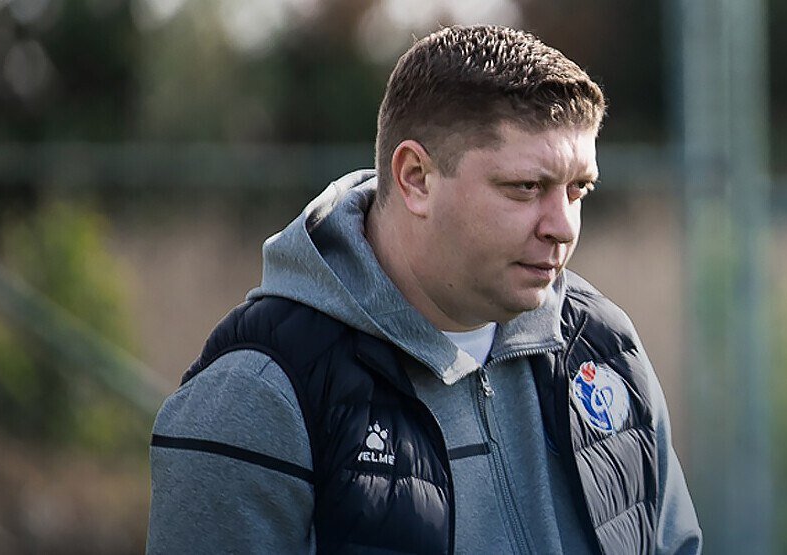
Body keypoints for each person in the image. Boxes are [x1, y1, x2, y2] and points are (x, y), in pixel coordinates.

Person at [146, 25, 701, 554]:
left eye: (578, 189)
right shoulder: (260, 393)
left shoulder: (603, 348)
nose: (562, 226)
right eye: (526, 187)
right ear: (416, 178)